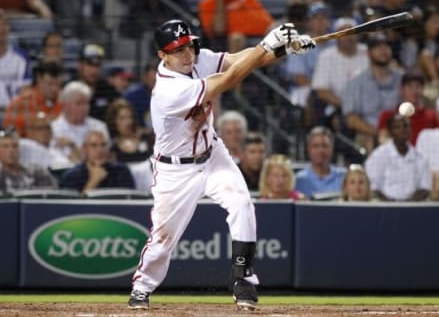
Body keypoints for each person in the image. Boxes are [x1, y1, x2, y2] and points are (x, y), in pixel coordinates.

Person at [127, 19, 314, 311]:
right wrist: (269, 44)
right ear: (163, 55)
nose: (188, 54)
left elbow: (238, 60)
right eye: (178, 50)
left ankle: (243, 279)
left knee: (242, 203)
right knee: (163, 238)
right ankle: (142, 287)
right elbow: (228, 80)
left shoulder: (197, 60)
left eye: (189, 45)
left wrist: (283, 51)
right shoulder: (168, 91)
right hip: (176, 170)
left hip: (212, 154)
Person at [342, 33, 402, 153]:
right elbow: (351, 120)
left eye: (386, 47)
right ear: (369, 53)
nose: (383, 50)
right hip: (367, 133)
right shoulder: (356, 81)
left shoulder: (402, 79)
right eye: (378, 47)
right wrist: (379, 133)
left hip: (400, 132)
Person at [365, 114, 431, 201]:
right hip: (384, 208)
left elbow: (425, 188)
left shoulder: (420, 157)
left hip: (413, 207)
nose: (402, 130)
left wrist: (407, 205)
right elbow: (373, 189)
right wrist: (392, 206)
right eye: (397, 127)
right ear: (390, 132)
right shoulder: (378, 156)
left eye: (406, 126)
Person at [51, 81, 110, 164]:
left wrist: (74, 149)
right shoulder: (53, 129)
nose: (84, 108)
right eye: (79, 103)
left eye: (86, 103)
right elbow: (56, 160)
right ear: (65, 105)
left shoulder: (99, 127)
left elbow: (103, 156)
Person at [60, 130, 135, 193]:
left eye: (103, 145)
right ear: (84, 149)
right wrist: (93, 181)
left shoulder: (121, 171)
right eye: (93, 145)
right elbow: (70, 208)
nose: (100, 150)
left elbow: (131, 203)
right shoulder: (72, 176)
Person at [3, 60, 63, 137]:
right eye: (50, 83)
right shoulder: (19, 104)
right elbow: (10, 138)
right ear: (39, 79)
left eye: (57, 84)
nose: (54, 89)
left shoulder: (67, 102)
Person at [377, 71, 438, 145]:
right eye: (410, 86)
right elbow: (383, 140)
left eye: (418, 86)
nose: (414, 90)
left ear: (423, 90)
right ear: (401, 90)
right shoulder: (388, 115)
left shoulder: (432, 116)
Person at [0, 128, 57, 193]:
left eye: (15, 146)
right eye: (5, 146)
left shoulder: (36, 171)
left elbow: (52, 193)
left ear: (19, 150)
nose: (11, 150)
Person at [0, 8, 31, 110]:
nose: (2, 29)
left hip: (14, 112)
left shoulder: (21, 57)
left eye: (5, 24)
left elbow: (25, 90)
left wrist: (14, 108)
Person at [295, 126, 346, 199]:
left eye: (324, 146)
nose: (321, 151)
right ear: (308, 149)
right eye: (316, 146)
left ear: (332, 148)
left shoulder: (344, 178)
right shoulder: (298, 180)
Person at [75, 44, 121, 121]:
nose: (94, 70)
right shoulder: (70, 89)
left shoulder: (108, 90)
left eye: (97, 65)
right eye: (89, 65)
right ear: (80, 66)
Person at [105, 98, 154, 163]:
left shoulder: (146, 138)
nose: (128, 122)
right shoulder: (111, 147)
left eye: (130, 117)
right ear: (113, 121)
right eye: (122, 118)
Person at [124, 59, 159, 127]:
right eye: (154, 81)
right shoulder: (132, 97)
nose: (156, 86)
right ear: (145, 77)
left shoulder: (171, 97)